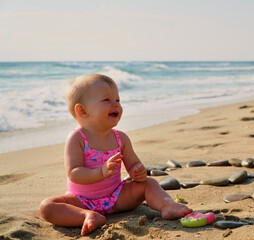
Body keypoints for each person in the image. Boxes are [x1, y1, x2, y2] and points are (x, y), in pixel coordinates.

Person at [39, 74, 192, 236]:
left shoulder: (121, 138)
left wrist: (137, 171)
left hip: (117, 197)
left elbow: (134, 165)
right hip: (82, 200)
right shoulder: (77, 138)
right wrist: (101, 172)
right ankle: (87, 216)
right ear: (82, 111)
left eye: (117, 100)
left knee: (149, 183)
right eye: (107, 100)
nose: (116, 105)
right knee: (48, 206)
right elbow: (74, 173)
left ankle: (167, 205)